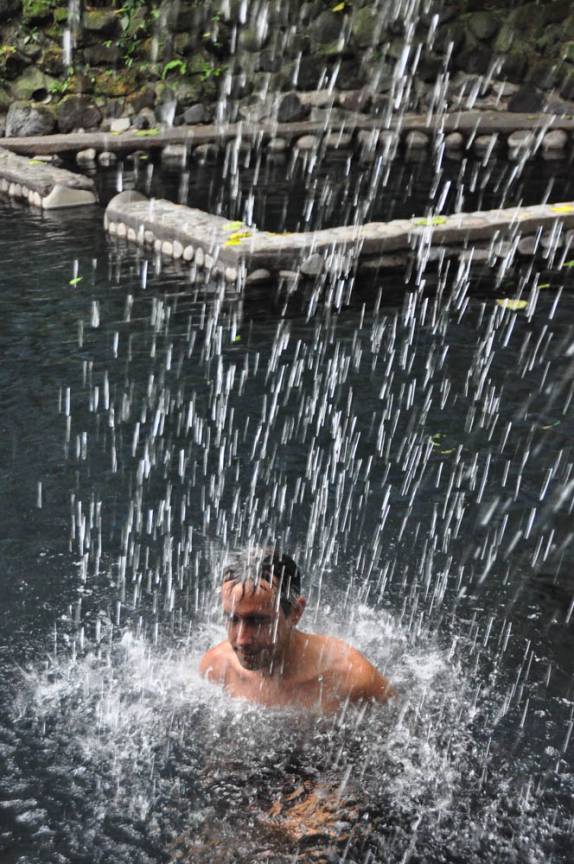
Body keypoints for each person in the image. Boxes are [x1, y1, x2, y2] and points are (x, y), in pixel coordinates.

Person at [199, 547, 395, 713]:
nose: (241, 640)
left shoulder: (352, 680)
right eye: (232, 619)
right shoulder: (217, 668)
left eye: (257, 621)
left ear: (296, 612)